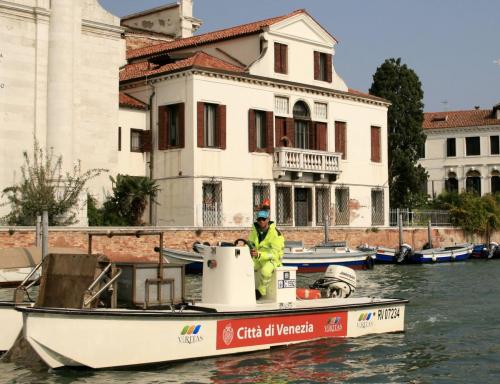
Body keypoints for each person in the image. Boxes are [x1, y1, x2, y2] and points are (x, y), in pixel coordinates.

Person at [248, 207, 284, 300]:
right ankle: (246, 289)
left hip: (273, 260)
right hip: (258, 258)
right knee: (246, 268)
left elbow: (275, 254)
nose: (261, 221)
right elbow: (250, 243)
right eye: (259, 219)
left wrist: (259, 254)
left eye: (263, 219)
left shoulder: (275, 234)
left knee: (266, 270)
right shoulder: (254, 231)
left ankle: (261, 291)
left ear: (268, 220)